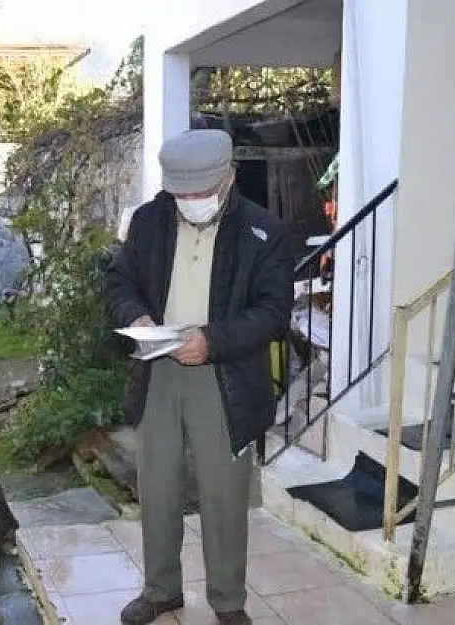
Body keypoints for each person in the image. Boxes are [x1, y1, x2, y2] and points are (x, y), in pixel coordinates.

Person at [104, 129, 295, 625]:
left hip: (225, 378)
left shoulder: (263, 232)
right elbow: (120, 280)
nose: (187, 201)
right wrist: (139, 316)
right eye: (179, 192)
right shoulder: (149, 220)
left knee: (224, 493)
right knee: (159, 486)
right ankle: (160, 589)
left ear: (229, 176)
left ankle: (228, 601)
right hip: (158, 372)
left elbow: (273, 313)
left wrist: (212, 340)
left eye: (198, 192)